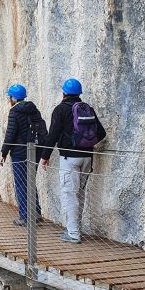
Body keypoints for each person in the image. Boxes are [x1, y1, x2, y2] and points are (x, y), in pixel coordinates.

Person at [42, 78, 107, 244]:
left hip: (69, 158)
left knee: (69, 194)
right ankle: (75, 229)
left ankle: (73, 233)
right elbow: (102, 133)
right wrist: (87, 144)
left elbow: (53, 135)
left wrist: (45, 156)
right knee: (80, 194)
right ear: (79, 93)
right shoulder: (87, 108)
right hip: (87, 157)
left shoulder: (60, 110)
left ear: (64, 93)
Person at [0, 84, 47, 227]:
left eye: (10, 97)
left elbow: (11, 134)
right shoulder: (34, 109)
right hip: (36, 150)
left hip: (20, 153)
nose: (9, 99)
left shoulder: (14, 112)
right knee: (30, 181)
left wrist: (4, 152)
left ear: (13, 98)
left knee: (21, 183)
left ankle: (25, 216)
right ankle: (36, 213)